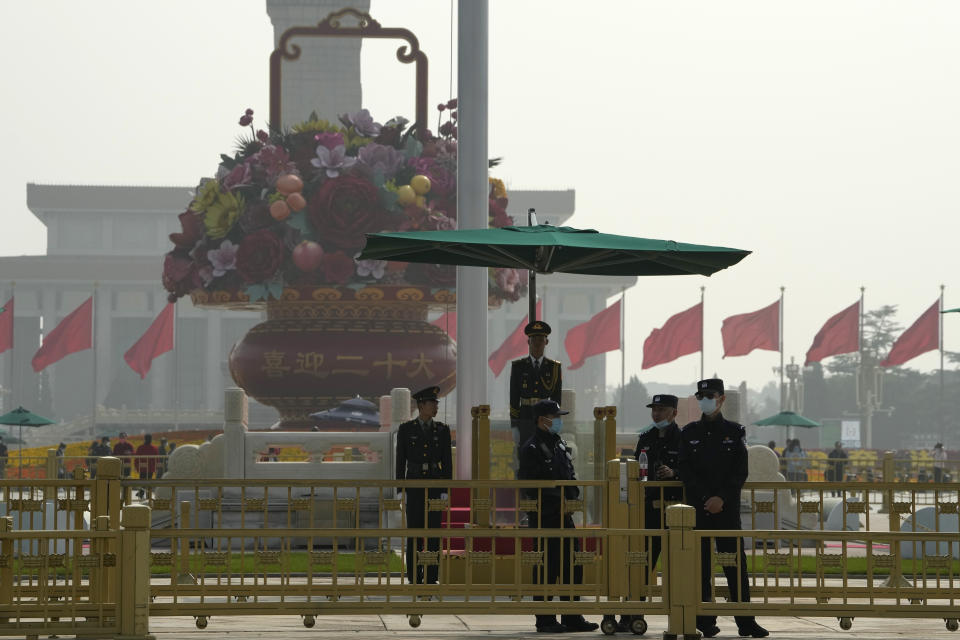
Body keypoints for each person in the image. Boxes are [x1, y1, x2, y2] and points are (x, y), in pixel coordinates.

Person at [678, 378, 768, 639]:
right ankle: (704, 620)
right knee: (701, 566)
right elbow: (685, 469)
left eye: (710, 395)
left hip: (726, 509)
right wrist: (707, 497)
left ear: (721, 398)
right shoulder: (689, 432)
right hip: (699, 506)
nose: (705, 400)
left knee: (735, 566)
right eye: (701, 396)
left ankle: (746, 621)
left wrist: (721, 498)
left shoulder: (734, 431)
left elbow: (739, 472)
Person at [518, 399, 599, 634]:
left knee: (572, 564)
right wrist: (558, 501)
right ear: (542, 419)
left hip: (565, 516)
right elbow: (530, 485)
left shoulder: (560, 444)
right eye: (555, 417)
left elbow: (570, 476)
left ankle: (572, 615)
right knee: (546, 566)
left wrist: (572, 498)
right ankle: (544, 619)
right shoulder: (531, 448)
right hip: (544, 515)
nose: (559, 421)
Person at [606, 394, 683, 634]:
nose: (656, 414)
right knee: (641, 563)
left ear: (674, 413)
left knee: (681, 565)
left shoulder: (683, 439)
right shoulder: (646, 438)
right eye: (654, 409)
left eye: (662, 409)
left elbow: (692, 470)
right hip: (648, 510)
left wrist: (674, 472)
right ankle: (631, 614)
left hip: (677, 513)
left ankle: (686, 616)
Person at [395, 385, 452, 586]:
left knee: (434, 532)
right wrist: (401, 489)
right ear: (421, 405)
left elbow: (447, 462)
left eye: (436, 403)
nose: (435, 407)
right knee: (415, 533)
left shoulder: (442, 430)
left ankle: (431, 575)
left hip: (435, 486)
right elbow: (400, 461)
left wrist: (445, 490)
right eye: (431, 403)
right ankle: (414, 574)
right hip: (415, 486)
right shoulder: (406, 430)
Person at [509, 321, 562, 465]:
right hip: (525, 418)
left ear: (547, 342)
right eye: (533, 340)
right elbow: (514, 399)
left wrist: (555, 422)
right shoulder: (518, 367)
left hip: (546, 420)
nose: (537, 344)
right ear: (528, 342)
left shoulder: (554, 368)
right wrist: (514, 425)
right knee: (525, 458)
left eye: (541, 340)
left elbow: (557, 398)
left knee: (546, 457)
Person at [135, 434, 160, 499]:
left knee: (142, 481)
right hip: (150, 468)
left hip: (142, 468)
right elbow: (157, 459)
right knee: (148, 482)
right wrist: (156, 468)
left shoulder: (140, 447)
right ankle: (147, 496)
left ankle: (141, 493)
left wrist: (137, 467)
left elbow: (137, 458)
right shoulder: (154, 448)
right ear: (151, 440)